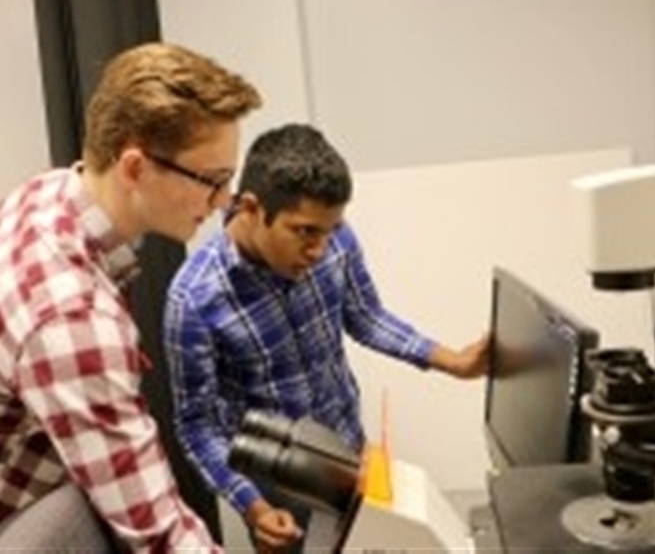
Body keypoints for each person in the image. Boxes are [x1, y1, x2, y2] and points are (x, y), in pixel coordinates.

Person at [162, 123, 489, 553]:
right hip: (275, 492)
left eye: (331, 230)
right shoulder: (194, 301)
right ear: (251, 208)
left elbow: (366, 317)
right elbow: (197, 427)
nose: (320, 250)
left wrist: (454, 361)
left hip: (349, 456)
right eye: (305, 232)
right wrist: (253, 507)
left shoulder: (334, 239)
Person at [0, 42, 261, 552]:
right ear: (136, 167)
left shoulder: (51, 193)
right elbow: (160, 534)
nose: (225, 201)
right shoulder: (73, 318)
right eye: (212, 180)